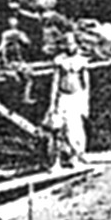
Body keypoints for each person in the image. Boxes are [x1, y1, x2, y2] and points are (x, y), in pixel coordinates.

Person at [47, 35, 92, 168]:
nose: (70, 46)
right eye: (67, 44)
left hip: (76, 97)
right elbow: (55, 82)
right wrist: (52, 103)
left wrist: (85, 103)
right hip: (63, 97)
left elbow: (86, 84)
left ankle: (75, 157)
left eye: (72, 43)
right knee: (59, 128)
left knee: (75, 129)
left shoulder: (81, 61)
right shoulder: (60, 61)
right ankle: (56, 161)